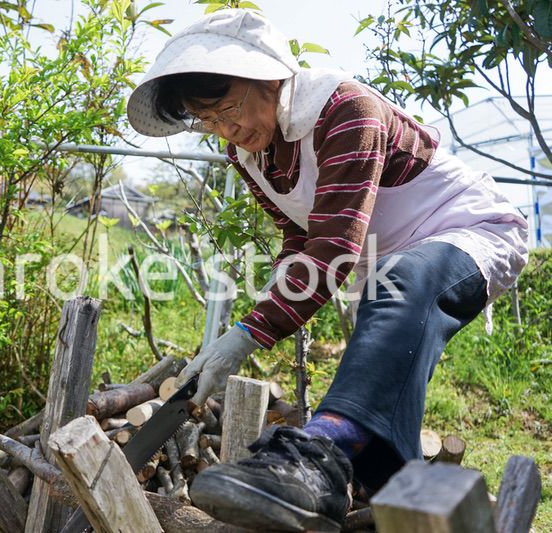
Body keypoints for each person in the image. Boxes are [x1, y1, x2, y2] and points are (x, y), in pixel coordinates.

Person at [126, 8, 529, 532]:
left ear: (268, 78)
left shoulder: (345, 109)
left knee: (403, 281)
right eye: (210, 121)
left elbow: (333, 248)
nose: (227, 129)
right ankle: (409, 504)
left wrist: (247, 334)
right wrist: (265, 300)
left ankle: (315, 453)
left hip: (466, 232)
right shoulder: (248, 157)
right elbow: (302, 236)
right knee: (383, 457)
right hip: (388, 274)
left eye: (229, 108)